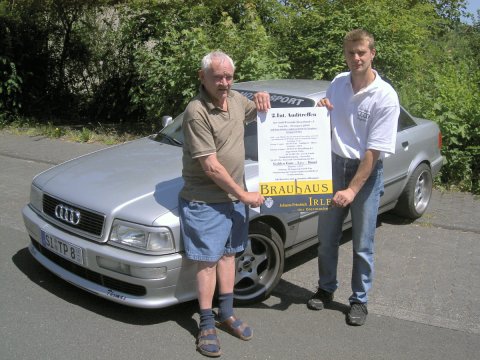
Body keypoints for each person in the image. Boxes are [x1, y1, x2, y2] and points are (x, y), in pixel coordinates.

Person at [178, 51, 270, 357]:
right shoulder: (196, 111)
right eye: (217, 76)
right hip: (207, 200)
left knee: (230, 255)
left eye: (229, 76)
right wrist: (243, 195)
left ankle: (226, 312)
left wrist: (262, 99)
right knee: (207, 261)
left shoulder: (236, 100)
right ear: (201, 76)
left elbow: (264, 114)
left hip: (233, 200)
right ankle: (205, 323)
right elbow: (210, 166)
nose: (224, 82)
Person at [307, 29, 400, 326]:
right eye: (351, 52)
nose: (356, 58)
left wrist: (351, 189)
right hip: (333, 167)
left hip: (366, 173)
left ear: (373, 53)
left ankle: (359, 299)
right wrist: (322, 108)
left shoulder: (385, 96)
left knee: (362, 243)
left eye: (361, 52)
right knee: (326, 238)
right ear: (345, 54)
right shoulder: (337, 83)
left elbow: (373, 152)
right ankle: (325, 289)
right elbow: (328, 117)